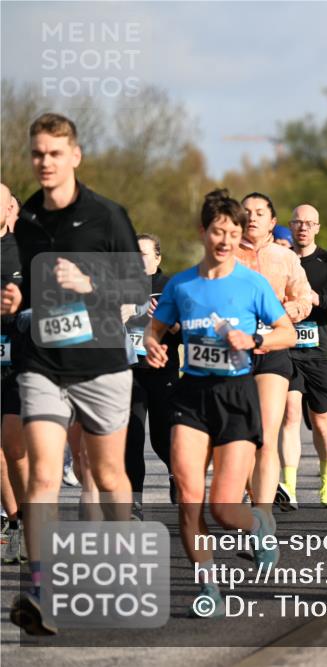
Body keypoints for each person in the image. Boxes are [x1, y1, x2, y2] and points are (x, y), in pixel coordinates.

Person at [5, 114, 146, 636]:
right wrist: (19, 299)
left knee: (106, 475)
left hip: (101, 363)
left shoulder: (107, 216)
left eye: (54, 154)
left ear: (75, 157)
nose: (44, 162)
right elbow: (35, 287)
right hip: (42, 362)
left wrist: (89, 282)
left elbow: (135, 288)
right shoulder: (27, 222)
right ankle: (37, 591)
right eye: (38, 154)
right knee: (44, 475)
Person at [144, 189, 295, 617]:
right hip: (191, 395)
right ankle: (208, 583)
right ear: (203, 232)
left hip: (236, 396)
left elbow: (285, 331)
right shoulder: (181, 284)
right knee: (190, 497)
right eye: (217, 231)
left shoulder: (252, 284)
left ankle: (259, 526)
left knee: (225, 508)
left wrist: (256, 339)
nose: (226, 240)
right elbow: (153, 331)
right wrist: (153, 345)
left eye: (232, 232)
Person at [235, 193, 313, 516]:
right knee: (242, 438)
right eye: (246, 212)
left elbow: (304, 298)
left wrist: (285, 312)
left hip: (273, 349)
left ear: (272, 221)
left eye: (259, 212)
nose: (252, 217)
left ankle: (262, 517)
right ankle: (251, 498)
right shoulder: (225, 256)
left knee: (267, 437)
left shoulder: (285, 258)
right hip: (235, 354)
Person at [277, 204, 327, 511]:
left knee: (321, 419)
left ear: (318, 228)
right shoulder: (278, 260)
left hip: (320, 350)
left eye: (309, 223)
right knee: (290, 414)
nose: (303, 228)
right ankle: (290, 486)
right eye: (298, 222)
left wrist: (319, 300)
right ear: (290, 225)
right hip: (286, 347)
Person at [123, 234, 181, 514]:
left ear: (157, 257)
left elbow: (186, 332)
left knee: (161, 436)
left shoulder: (171, 287)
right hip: (130, 373)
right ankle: (134, 502)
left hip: (162, 372)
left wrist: (168, 323)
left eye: (143, 254)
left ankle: (176, 474)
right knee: (132, 437)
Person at [1, 183, 28, 565]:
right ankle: (17, 520)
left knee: (14, 446)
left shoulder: (25, 252)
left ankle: (29, 516)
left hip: (19, 360)